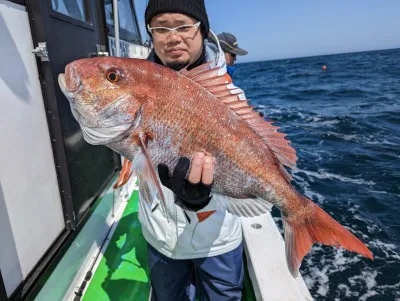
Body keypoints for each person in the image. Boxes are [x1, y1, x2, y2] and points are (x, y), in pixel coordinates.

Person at [140, 0, 246, 300]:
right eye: (161, 27)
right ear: (151, 34)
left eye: (184, 26)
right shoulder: (137, 85)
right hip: (160, 236)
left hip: (217, 239)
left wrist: (205, 197)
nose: (173, 37)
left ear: (202, 31)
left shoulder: (231, 98)